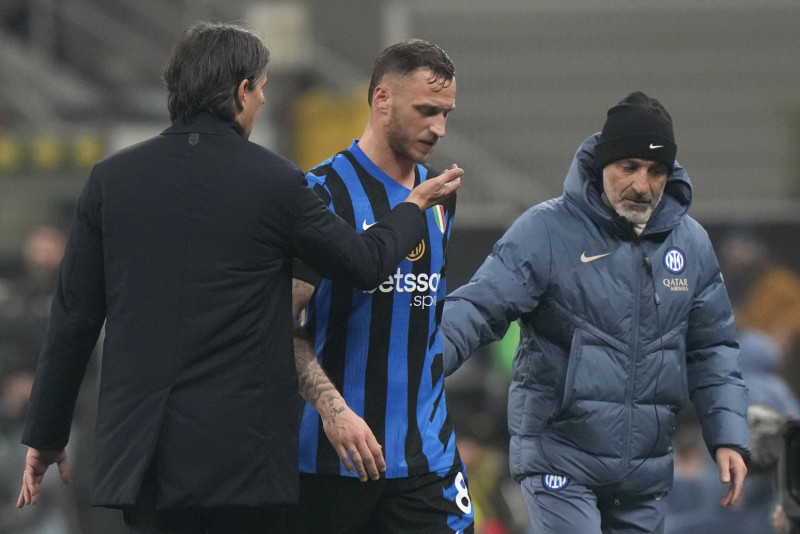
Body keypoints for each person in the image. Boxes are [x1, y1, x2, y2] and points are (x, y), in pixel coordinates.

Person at [15, 22, 463, 534]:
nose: (263, 101)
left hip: (143, 454)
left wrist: (46, 434)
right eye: (262, 89)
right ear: (241, 91)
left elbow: (73, 318)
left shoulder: (110, 180)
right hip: (242, 454)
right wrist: (413, 207)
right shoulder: (276, 182)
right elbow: (362, 264)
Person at [440, 91, 750, 534]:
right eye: (629, 167)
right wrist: (411, 371)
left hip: (644, 475)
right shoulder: (546, 231)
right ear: (602, 163)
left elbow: (712, 348)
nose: (642, 184)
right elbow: (477, 307)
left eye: (656, 171)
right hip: (560, 459)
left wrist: (729, 436)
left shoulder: (691, 245)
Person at [290, 39, 474, 533]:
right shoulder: (321, 193)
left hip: (425, 461)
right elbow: (278, 325)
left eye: (445, 113)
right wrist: (333, 410)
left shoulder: (441, 196)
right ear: (382, 99)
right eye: (426, 111)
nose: (439, 128)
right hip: (332, 461)